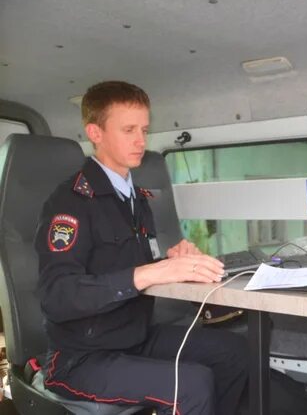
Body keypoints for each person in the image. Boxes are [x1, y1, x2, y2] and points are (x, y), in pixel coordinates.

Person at [35, 81, 248, 414]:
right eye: (129, 130)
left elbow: (125, 267)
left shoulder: (135, 198)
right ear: (95, 132)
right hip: (81, 358)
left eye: (145, 129)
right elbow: (57, 295)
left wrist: (171, 261)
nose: (141, 141)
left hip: (134, 337)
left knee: (236, 351)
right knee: (192, 386)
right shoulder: (71, 202)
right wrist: (153, 271)